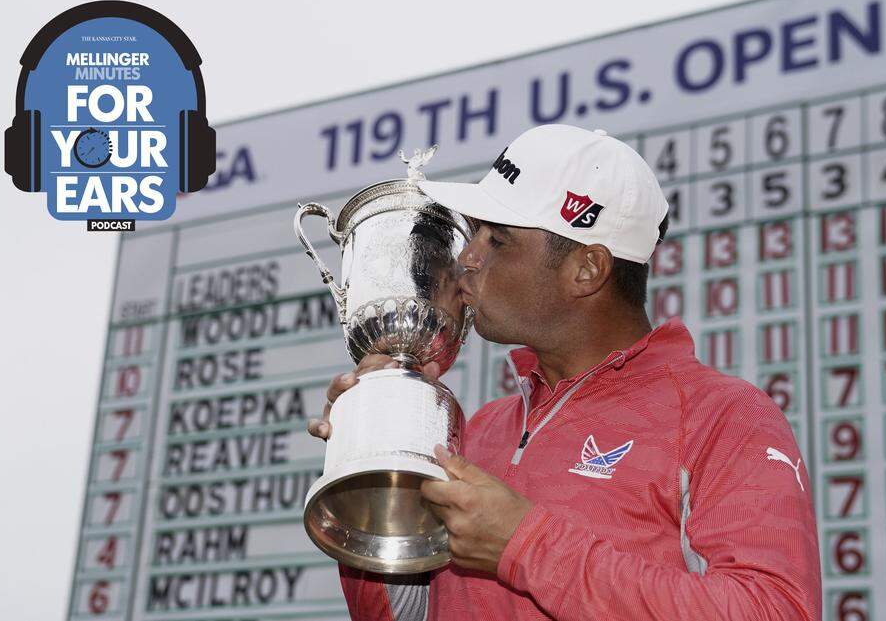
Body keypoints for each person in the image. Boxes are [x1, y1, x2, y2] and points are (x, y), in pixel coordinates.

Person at [307, 124, 821, 620]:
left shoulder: (723, 416)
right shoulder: (477, 428)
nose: (466, 257)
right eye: (474, 233)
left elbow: (776, 610)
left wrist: (525, 543)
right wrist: (368, 475)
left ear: (587, 269)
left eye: (497, 239)